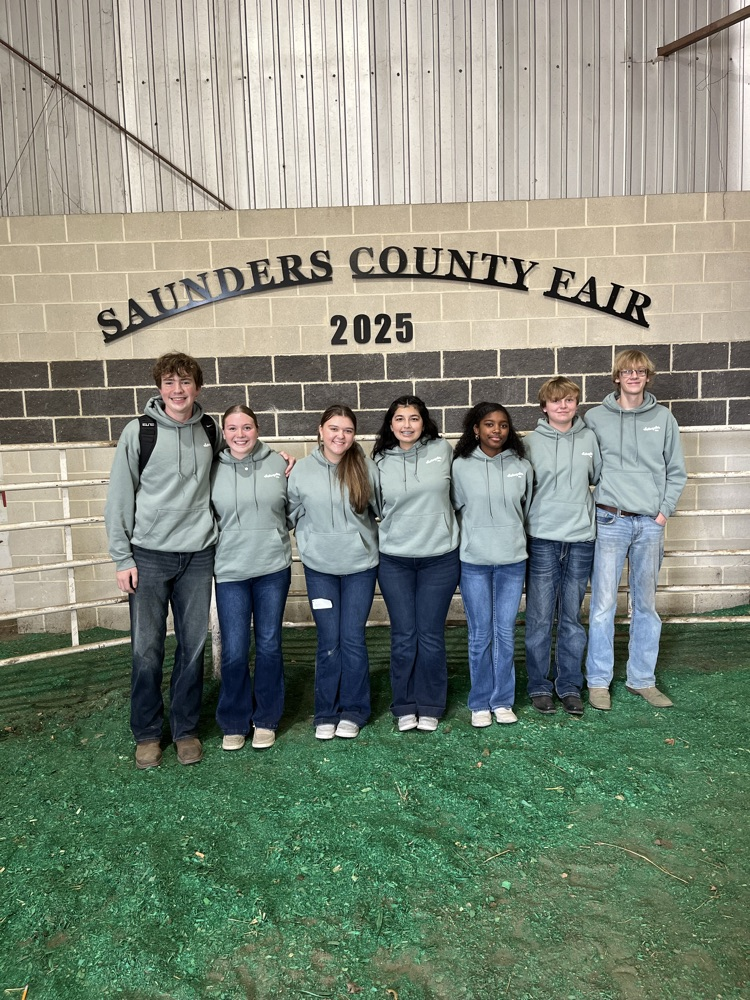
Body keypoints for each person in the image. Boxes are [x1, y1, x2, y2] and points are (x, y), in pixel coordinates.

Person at [105, 352, 221, 769]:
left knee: (192, 647)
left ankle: (186, 729)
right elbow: (119, 496)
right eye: (170, 383)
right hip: (149, 555)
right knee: (146, 649)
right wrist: (123, 557)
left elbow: (232, 469)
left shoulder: (211, 429)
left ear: (198, 387)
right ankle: (148, 733)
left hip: (198, 554)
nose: (178, 390)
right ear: (159, 388)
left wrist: (277, 462)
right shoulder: (140, 431)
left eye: (186, 382)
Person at [584, 350, 687, 710]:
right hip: (610, 519)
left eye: (640, 371)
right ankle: (598, 681)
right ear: (616, 377)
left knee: (645, 605)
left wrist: (662, 513)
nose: (633, 376)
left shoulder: (663, 418)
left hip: (649, 524)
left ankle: (642, 679)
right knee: (603, 604)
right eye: (626, 371)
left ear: (647, 377)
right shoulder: (595, 418)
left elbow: (676, 471)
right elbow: (588, 468)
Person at [287, 405, 380, 740]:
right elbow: (289, 513)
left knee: (352, 639)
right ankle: (326, 710)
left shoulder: (366, 468)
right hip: (320, 569)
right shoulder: (300, 471)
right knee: (329, 640)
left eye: (348, 430)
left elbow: (381, 510)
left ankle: (354, 710)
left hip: (360, 568)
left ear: (354, 435)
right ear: (321, 429)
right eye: (334, 428)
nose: (340, 436)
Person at [372, 395, 459, 732]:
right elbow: (374, 504)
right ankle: (405, 704)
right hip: (395, 560)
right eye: (399, 419)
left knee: (431, 635)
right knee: (404, 635)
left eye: (413, 418)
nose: (406, 425)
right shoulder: (379, 459)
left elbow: (459, 496)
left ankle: (432, 703)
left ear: (424, 422)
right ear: (390, 424)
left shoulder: (443, 451)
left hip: (439, 558)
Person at [211, 406, 292, 752]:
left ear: (258, 429)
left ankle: (266, 719)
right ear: (223, 432)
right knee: (233, 649)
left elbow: (292, 509)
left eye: (247, 427)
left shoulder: (279, 463)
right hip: (230, 570)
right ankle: (233, 720)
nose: (240, 434)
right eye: (232, 428)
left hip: (273, 567)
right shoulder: (212, 467)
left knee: (270, 644)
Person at [451, 402, 533, 727]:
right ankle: (479, 702)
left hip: (512, 561)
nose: (496, 430)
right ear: (476, 429)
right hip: (474, 562)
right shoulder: (460, 465)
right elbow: (456, 508)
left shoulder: (522, 466)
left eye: (502, 425)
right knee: (480, 633)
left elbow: (526, 509)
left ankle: (502, 700)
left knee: (505, 632)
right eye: (489, 424)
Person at [523, 378, 601, 716]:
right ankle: (539, 684)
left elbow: (595, 477)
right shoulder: (529, 443)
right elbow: (523, 488)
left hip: (581, 538)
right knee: (540, 617)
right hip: (543, 537)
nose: (563, 406)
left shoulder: (589, 438)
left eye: (569, 400)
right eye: (556, 401)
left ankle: (569, 684)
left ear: (576, 403)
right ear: (544, 407)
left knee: (571, 617)